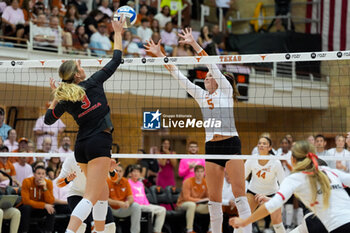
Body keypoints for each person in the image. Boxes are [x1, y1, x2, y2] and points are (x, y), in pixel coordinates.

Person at [145, 28, 252, 233]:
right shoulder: (201, 95)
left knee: (239, 194)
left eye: (210, 76)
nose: (207, 78)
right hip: (212, 146)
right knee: (214, 199)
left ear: (220, 80)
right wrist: (161, 56)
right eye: (206, 76)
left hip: (230, 143)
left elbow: (211, 63)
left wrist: (194, 43)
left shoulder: (226, 91)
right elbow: (178, 75)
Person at [44, 17, 124, 233]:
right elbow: (116, 58)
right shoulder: (94, 81)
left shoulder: (66, 98)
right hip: (99, 143)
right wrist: (117, 32)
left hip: (82, 146)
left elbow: (48, 119)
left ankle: (98, 231)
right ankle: (69, 232)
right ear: (78, 73)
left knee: (101, 192)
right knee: (90, 195)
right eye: (79, 67)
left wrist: (56, 96)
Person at [230, 140, 350, 233]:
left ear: (293, 159)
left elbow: (270, 207)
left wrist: (244, 221)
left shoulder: (296, 177)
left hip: (318, 223)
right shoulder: (330, 171)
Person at [56, 153, 117, 233]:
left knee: (110, 226)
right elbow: (58, 183)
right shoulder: (71, 158)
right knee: (79, 226)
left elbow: (114, 178)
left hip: (96, 194)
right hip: (77, 194)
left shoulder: (101, 155)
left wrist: (112, 171)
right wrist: (67, 179)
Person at [245, 137, 285, 233]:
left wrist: (279, 198)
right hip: (253, 192)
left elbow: (283, 183)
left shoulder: (276, 162)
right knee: (244, 217)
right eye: (260, 143)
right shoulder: (252, 159)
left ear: (270, 147)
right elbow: (242, 177)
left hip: (271, 194)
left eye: (264, 143)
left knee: (277, 222)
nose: (261, 145)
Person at [128, 165, 166, 233]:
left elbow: (144, 196)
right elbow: (130, 197)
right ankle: (148, 230)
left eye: (138, 172)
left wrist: (147, 204)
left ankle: (157, 231)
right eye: (134, 172)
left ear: (140, 174)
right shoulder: (128, 183)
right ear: (130, 174)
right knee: (150, 210)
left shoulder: (140, 183)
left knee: (162, 210)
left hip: (145, 204)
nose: (136, 173)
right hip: (136, 205)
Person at [19, 166, 55, 233]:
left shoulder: (48, 183)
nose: (41, 176)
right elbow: (26, 201)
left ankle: (48, 231)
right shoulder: (26, 181)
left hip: (40, 209)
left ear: (45, 175)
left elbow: (50, 201)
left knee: (51, 208)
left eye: (43, 174)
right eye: (39, 173)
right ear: (34, 174)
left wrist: (45, 188)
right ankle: (24, 231)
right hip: (29, 208)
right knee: (26, 207)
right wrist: (44, 205)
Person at [108, 164, 141, 233]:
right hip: (110, 209)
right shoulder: (108, 181)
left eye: (120, 171)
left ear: (123, 173)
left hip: (122, 208)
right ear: (112, 172)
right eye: (116, 171)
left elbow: (131, 197)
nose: (118, 173)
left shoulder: (125, 181)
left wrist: (128, 203)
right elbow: (105, 199)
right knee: (103, 205)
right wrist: (118, 203)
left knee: (136, 206)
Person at [177, 165, 210, 233]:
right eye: (198, 172)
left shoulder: (206, 182)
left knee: (213, 205)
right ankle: (189, 230)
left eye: (201, 172)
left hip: (198, 205)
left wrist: (208, 199)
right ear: (194, 173)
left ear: (204, 173)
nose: (200, 174)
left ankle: (211, 229)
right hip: (183, 203)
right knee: (191, 205)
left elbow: (208, 196)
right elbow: (186, 198)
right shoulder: (188, 181)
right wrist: (200, 200)